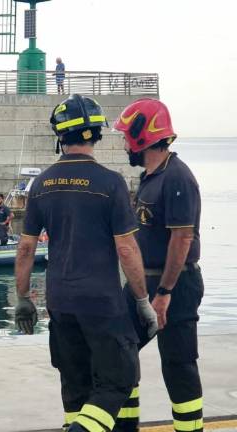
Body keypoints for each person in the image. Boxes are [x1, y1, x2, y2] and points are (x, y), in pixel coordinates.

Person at [14, 94, 158, 432]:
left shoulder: (41, 183)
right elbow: (127, 250)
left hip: (60, 304)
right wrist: (141, 301)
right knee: (117, 383)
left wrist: (22, 298)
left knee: (76, 388)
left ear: (60, 137)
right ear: (96, 133)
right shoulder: (110, 183)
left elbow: (25, 248)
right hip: (102, 304)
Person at [113, 98, 204, 432]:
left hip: (174, 286)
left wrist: (164, 292)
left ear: (142, 136)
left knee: (178, 363)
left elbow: (182, 240)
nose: (124, 144)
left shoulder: (177, 178)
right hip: (143, 284)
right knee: (119, 353)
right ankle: (125, 426)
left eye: (126, 137)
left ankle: (190, 429)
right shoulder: (152, 176)